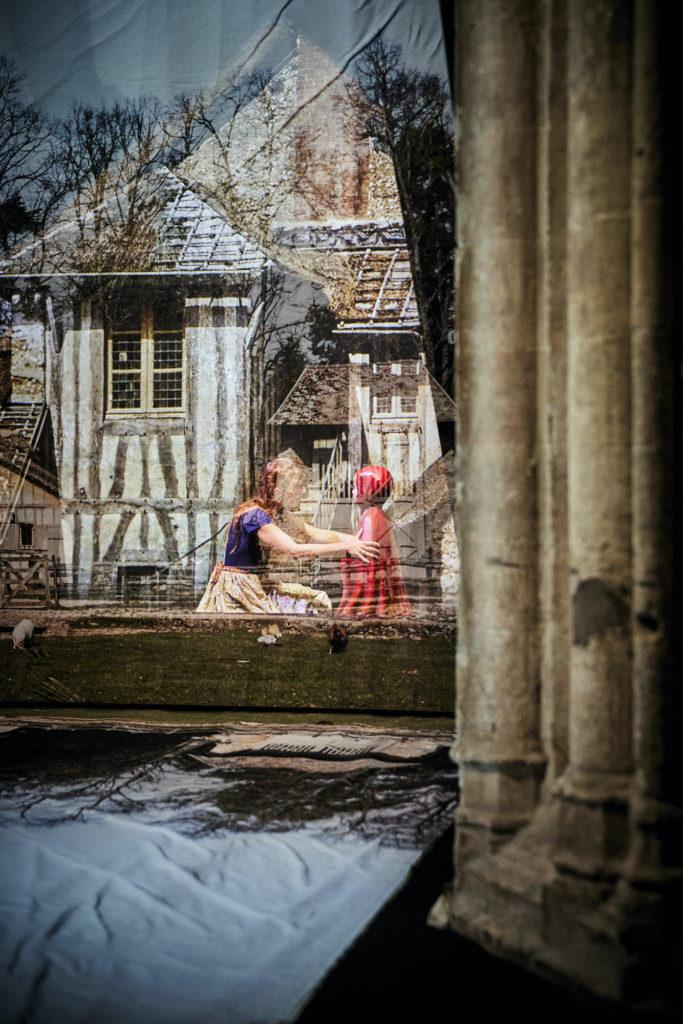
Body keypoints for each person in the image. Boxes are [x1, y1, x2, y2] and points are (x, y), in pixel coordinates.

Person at [196, 457, 379, 614]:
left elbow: (312, 533)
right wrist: (345, 547)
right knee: (297, 613)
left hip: (257, 583)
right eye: (299, 486)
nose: (304, 491)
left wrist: (355, 541)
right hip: (240, 591)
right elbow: (295, 550)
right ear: (282, 487)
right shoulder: (255, 516)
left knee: (315, 600)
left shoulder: (277, 512)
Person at [336, 465, 411, 618]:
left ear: (368, 489)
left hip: (368, 592)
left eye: (356, 487)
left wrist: (346, 557)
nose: (353, 492)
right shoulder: (380, 515)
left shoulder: (370, 515)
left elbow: (366, 557)